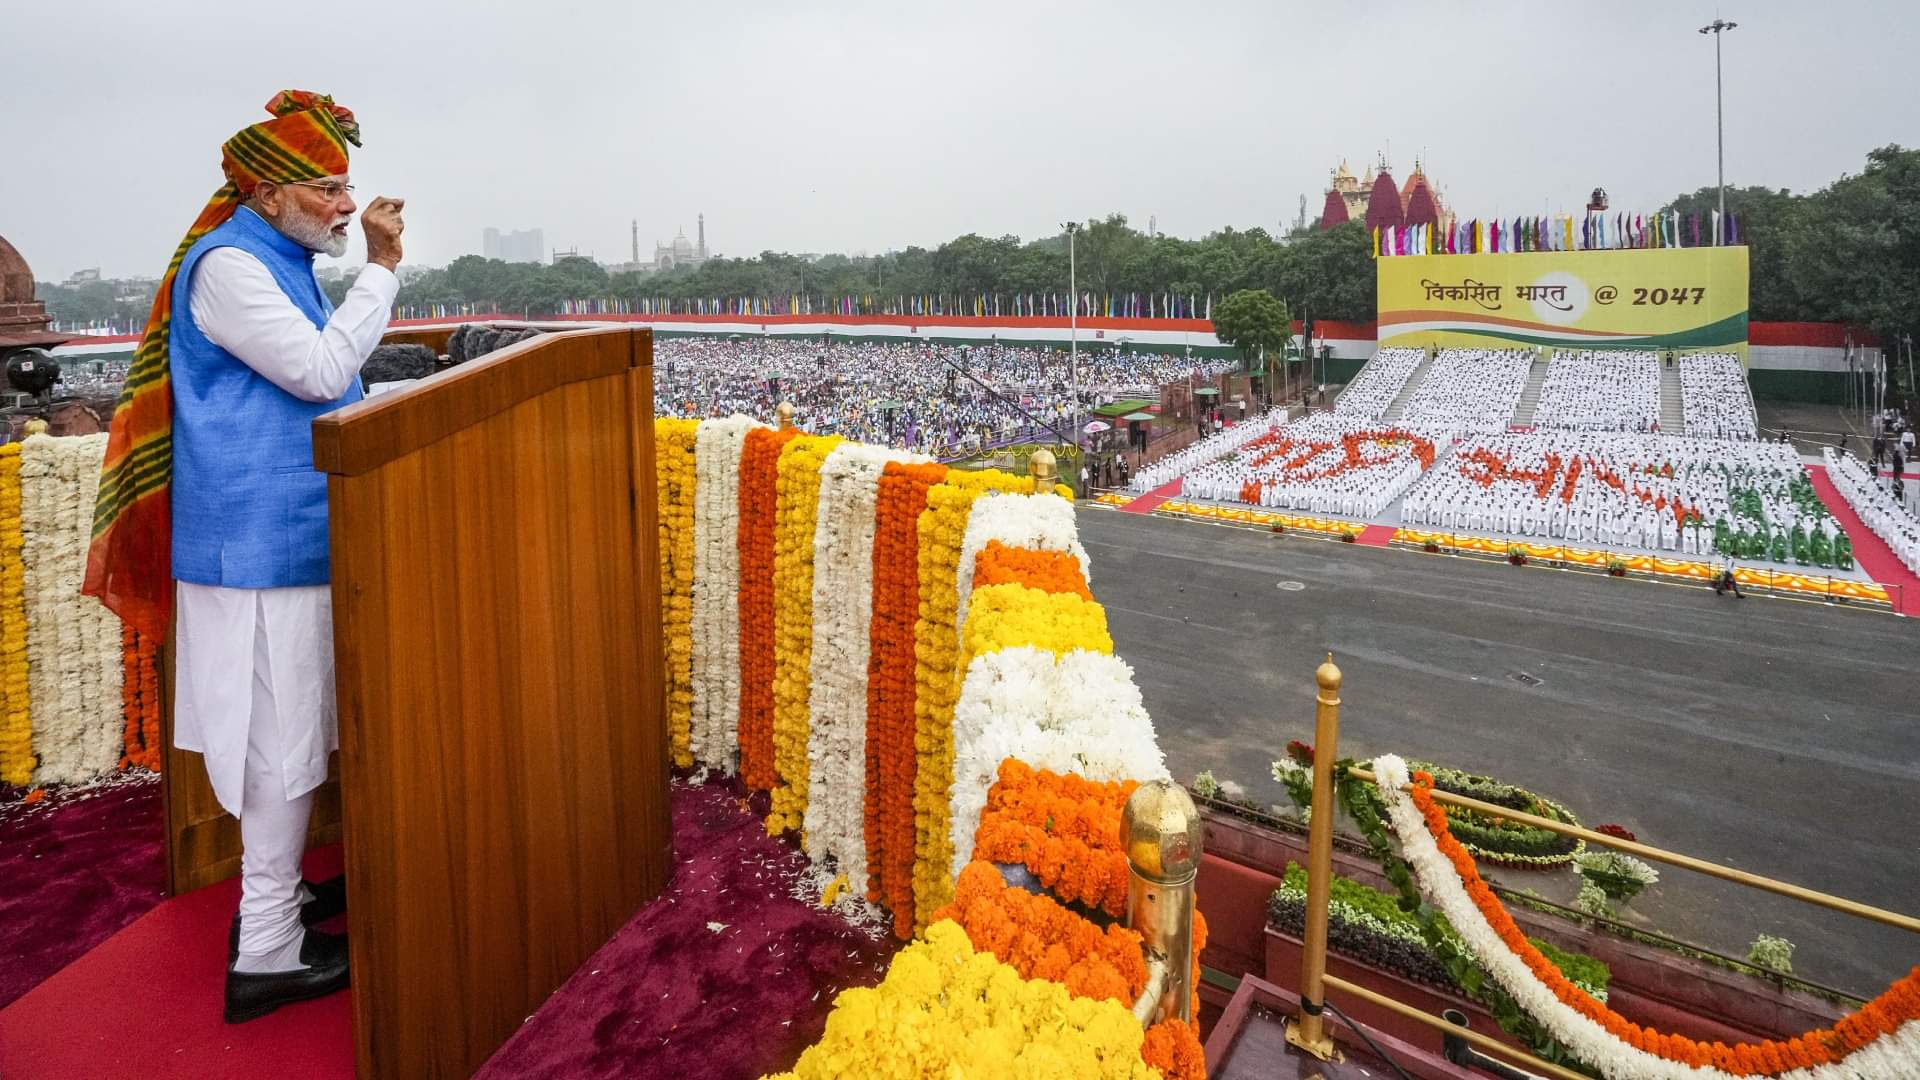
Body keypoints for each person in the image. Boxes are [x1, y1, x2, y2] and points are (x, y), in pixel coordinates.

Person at [84, 90, 405, 1024]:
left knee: (292, 732)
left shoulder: (280, 252)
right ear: (265, 193)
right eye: (327, 187)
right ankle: (266, 947)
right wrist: (381, 272)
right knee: (281, 743)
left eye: (349, 184)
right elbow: (317, 372)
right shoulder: (230, 265)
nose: (347, 205)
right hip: (257, 546)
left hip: (287, 535)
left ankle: (279, 904)